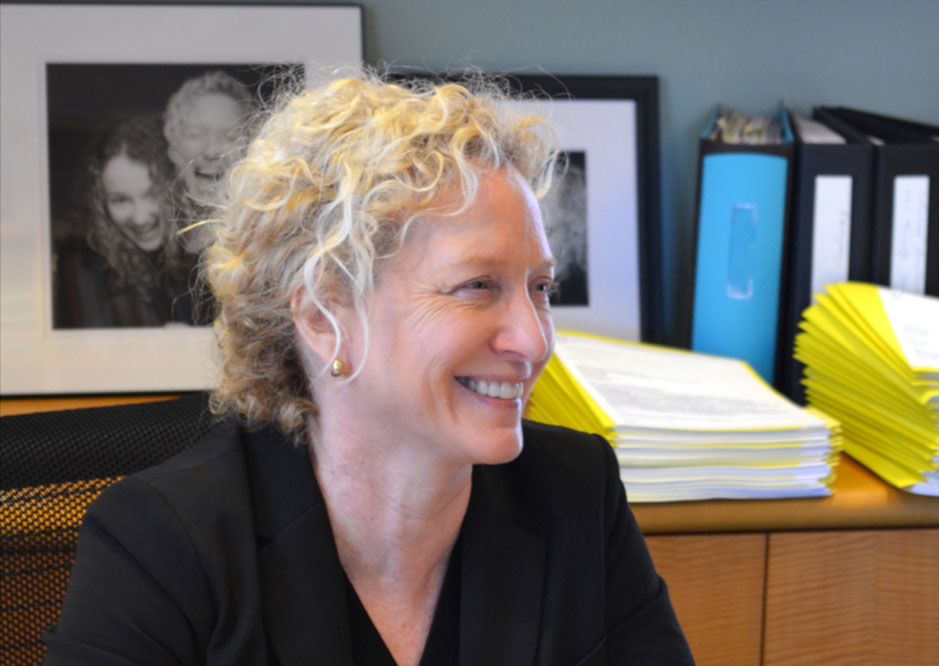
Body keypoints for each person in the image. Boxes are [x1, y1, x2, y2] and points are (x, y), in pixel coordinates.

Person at [44, 73, 694, 665]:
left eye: (541, 289)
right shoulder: (162, 544)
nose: (533, 339)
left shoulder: (574, 495)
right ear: (325, 315)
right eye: (476, 286)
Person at [53, 114, 195, 328]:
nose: (140, 217)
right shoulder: (86, 272)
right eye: (120, 200)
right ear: (100, 205)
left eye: (152, 194)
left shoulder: (204, 258)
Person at [162, 69, 255, 256]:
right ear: (173, 147)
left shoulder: (261, 244)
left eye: (230, 136)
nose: (212, 151)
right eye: (196, 134)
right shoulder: (156, 236)